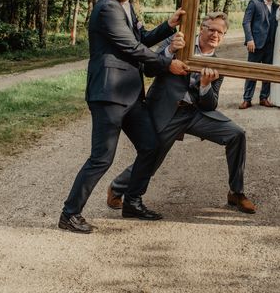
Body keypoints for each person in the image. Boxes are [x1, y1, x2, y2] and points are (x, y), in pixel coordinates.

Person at [58, 0, 188, 233]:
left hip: (129, 96)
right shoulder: (106, 9)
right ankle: (69, 214)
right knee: (101, 158)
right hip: (108, 95)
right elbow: (131, 47)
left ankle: (132, 203)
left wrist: (168, 24)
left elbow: (142, 37)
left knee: (150, 146)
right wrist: (166, 65)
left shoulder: (126, 7)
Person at [108, 12, 256, 215]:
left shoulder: (218, 65)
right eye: (211, 29)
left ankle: (236, 192)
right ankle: (117, 187)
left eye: (220, 32)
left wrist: (205, 86)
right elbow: (149, 70)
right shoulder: (178, 41)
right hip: (168, 110)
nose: (215, 35)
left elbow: (210, 105)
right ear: (201, 28)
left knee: (236, 134)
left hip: (195, 113)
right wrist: (169, 51)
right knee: (152, 158)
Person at [240, 0, 278, 109]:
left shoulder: (276, 7)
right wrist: (249, 39)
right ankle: (247, 99)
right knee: (251, 72)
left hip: (271, 45)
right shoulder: (254, 3)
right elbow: (246, 22)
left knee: (268, 72)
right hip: (255, 44)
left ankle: (264, 98)